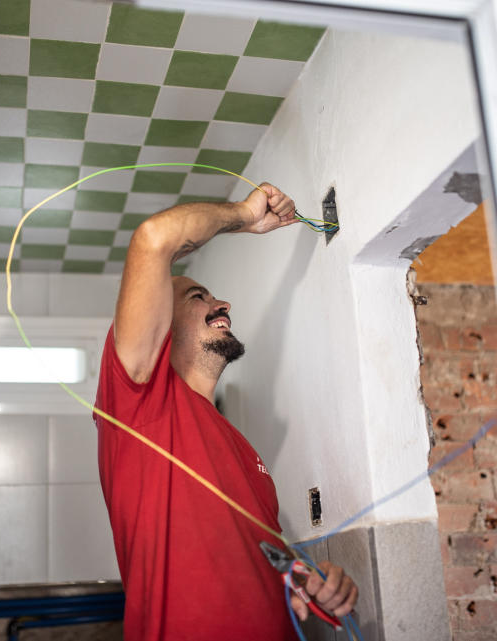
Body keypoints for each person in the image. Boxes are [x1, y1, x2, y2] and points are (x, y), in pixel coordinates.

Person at [95, 183, 359, 640]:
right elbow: (154, 238)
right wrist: (244, 216)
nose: (222, 304)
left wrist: (315, 588)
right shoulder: (138, 406)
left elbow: (277, 573)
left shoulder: (242, 448)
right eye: (197, 297)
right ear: (160, 324)